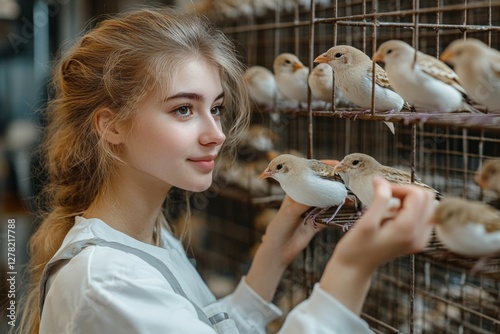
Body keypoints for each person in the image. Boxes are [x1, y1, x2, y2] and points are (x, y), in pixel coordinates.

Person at [17, 7, 435, 334]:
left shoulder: (150, 237)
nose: (216, 133)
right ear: (110, 126)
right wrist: (353, 266)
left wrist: (272, 254)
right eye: (183, 109)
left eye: (216, 108)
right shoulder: (108, 283)